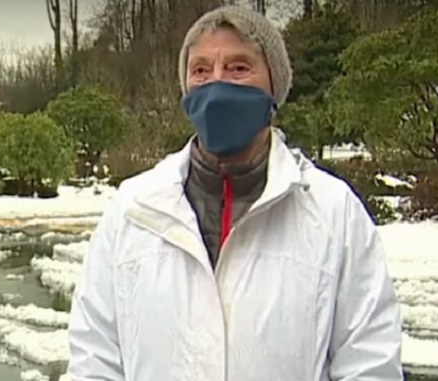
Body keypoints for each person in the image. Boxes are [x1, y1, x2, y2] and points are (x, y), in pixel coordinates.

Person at [67, 5, 403, 381]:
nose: (217, 84)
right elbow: (94, 361)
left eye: (239, 68)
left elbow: (370, 365)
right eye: (201, 70)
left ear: (274, 87)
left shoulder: (333, 213)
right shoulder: (133, 210)